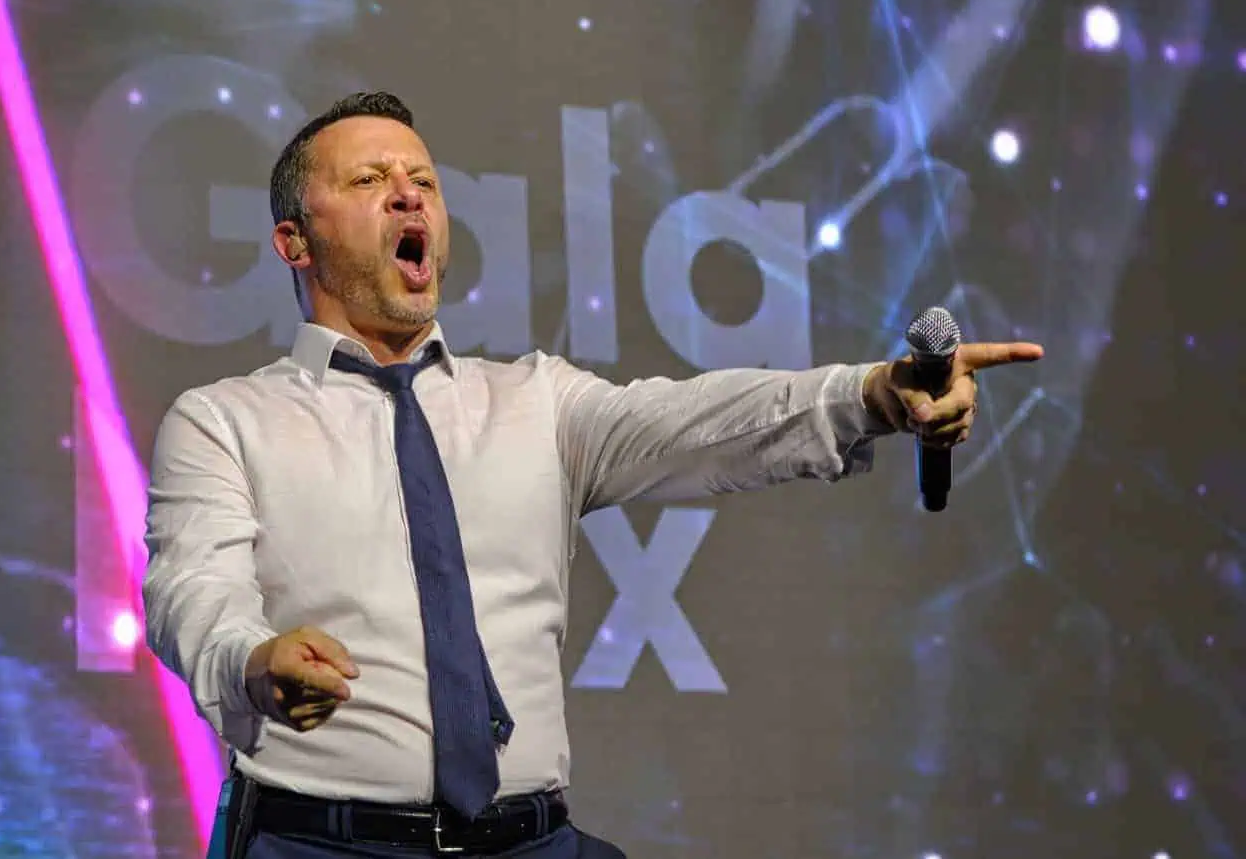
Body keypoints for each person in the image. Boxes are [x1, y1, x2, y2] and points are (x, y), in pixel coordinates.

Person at [142, 91, 1043, 858]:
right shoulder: (225, 421)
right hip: (321, 842)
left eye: (423, 180)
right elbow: (193, 592)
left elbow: (707, 422)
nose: (408, 194)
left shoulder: (536, 401)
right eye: (369, 180)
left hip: (532, 840)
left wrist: (874, 394)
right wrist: (252, 663)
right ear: (295, 241)